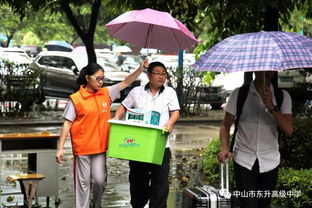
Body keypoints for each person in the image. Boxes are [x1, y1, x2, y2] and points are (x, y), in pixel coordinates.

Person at [55, 59, 149, 208]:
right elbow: (67, 123)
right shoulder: (76, 99)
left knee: (100, 181)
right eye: (98, 79)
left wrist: (140, 69)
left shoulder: (106, 93)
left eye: (103, 79)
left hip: (99, 148)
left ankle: (95, 204)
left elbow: (126, 82)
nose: (101, 82)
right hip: (83, 149)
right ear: (87, 78)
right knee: (83, 184)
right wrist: (60, 148)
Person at [217, 71, 294, 208]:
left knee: (264, 204)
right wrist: (224, 149)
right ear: (254, 69)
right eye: (263, 67)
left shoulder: (282, 96)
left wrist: (272, 107)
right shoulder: (239, 94)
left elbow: (288, 130)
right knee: (249, 204)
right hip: (244, 159)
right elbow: (225, 125)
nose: (267, 71)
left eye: (270, 68)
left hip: (270, 160)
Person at [113, 61, 180, 208]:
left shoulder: (170, 92)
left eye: (164, 73)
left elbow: (175, 112)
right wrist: (117, 118)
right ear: (149, 75)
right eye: (157, 73)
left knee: (160, 184)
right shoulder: (136, 91)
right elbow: (123, 106)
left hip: (161, 145)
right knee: (138, 183)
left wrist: (170, 123)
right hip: (139, 146)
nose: (161, 77)